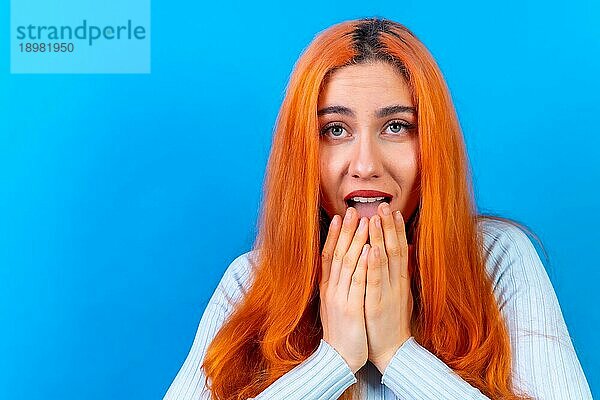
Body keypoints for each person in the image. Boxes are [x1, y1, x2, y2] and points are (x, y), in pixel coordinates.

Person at [162, 17, 592, 400]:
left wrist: (396, 354)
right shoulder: (251, 279)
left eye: (396, 127)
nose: (366, 165)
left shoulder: (497, 257)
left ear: (431, 145)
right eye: (335, 129)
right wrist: (333, 362)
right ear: (303, 152)